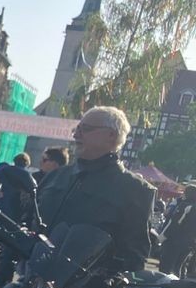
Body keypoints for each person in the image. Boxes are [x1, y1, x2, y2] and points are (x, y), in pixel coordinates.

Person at [38, 106, 154, 272]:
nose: (76, 134)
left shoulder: (135, 189)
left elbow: (134, 257)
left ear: (111, 135)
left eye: (85, 129)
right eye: (76, 128)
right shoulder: (56, 176)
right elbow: (28, 223)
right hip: (32, 282)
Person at [0, 152, 39, 287]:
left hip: (2, 205)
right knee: (9, 243)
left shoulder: (6, 169)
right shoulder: (27, 175)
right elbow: (33, 195)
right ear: (27, 163)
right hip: (15, 210)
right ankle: (2, 274)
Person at [159, 185, 196, 275]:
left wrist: (162, 236)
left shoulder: (185, 205)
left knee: (166, 266)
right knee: (179, 267)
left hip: (175, 240)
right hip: (189, 242)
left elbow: (174, 223)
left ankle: (164, 286)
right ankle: (178, 286)